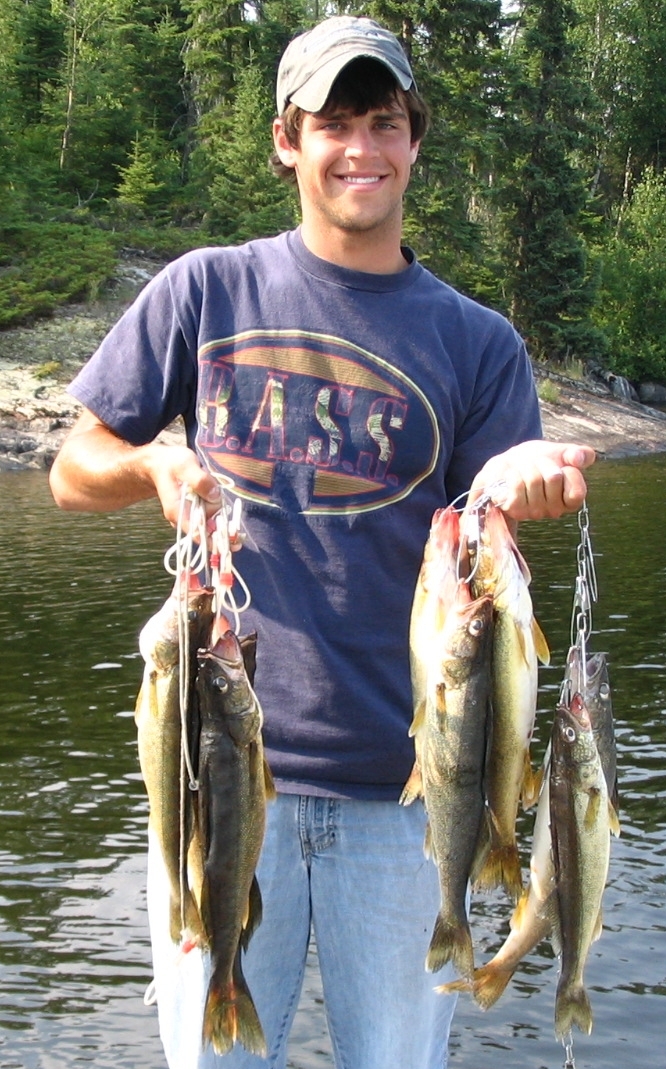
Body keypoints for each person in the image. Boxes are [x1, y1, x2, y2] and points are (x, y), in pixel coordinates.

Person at [49, 15, 595, 1069]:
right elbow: (74, 471)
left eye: (383, 122)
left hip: (410, 798)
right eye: (333, 123)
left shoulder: (479, 343)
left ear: (415, 140)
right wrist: (155, 464)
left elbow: (496, 539)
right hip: (215, 779)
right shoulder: (205, 290)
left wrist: (520, 486)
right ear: (286, 141)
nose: (361, 148)